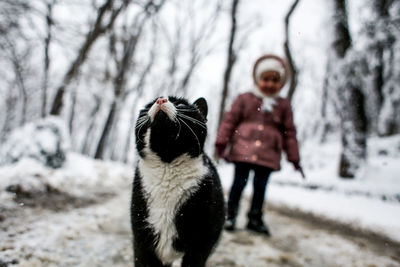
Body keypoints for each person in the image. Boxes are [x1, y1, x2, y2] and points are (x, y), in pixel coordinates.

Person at [215, 54, 303, 236]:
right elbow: (229, 122)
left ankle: (255, 219)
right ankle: (229, 215)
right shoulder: (245, 99)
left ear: (281, 83)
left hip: (268, 154)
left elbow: (289, 132)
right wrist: (221, 142)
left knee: (260, 187)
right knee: (238, 183)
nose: (270, 84)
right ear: (257, 79)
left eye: (275, 80)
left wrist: (294, 157)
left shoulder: (283, 105)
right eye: (266, 79)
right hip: (243, 150)